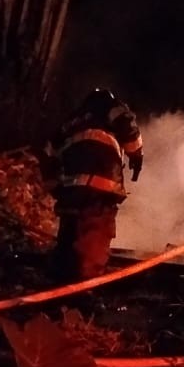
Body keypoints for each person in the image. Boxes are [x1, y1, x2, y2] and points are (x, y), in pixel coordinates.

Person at [48, 88, 144, 280]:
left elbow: (49, 154)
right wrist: (136, 154)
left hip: (71, 189)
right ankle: (86, 286)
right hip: (101, 185)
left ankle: (60, 283)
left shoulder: (70, 121)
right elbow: (127, 126)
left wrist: (54, 187)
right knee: (96, 237)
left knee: (69, 234)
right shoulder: (108, 106)